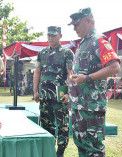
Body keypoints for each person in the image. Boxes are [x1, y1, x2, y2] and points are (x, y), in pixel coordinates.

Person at [68, 7, 121, 157]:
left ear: (89, 21)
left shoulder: (99, 40)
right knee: (81, 145)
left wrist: (88, 78)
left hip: (91, 107)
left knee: (93, 149)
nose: (74, 28)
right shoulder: (83, 44)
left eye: (77, 24)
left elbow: (115, 66)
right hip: (79, 105)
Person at [33, 26, 74, 157]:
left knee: (62, 124)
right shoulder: (42, 53)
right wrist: (35, 91)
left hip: (60, 96)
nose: (50, 38)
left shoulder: (67, 53)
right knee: (46, 123)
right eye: (49, 35)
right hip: (45, 95)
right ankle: (48, 150)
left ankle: (60, 152)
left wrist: (70, 93)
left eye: (53, 35)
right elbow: (37, 72)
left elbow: (70, 74)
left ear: (60, 36)